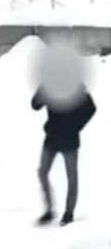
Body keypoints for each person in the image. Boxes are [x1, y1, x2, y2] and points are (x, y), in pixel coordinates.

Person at [32, 84, 95, 226]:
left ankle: (69, 212)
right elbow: (35, 105)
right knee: (42, 172)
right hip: (52, 138)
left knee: (71, 177)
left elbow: (91, 108)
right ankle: (49, 210)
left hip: (70, 140)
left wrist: (76, 126)